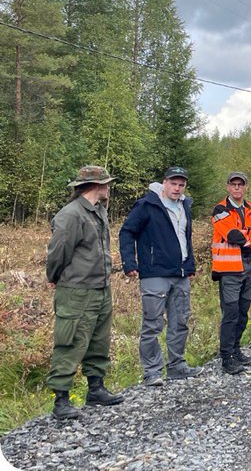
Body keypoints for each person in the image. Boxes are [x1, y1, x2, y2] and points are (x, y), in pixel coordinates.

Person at [45, 165, 123, 421]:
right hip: (77, 290)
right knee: (70, 341)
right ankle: (61, 399)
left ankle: (96, 388)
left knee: (99, 340)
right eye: (106, 183)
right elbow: (58, 252)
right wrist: (54, 277)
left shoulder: (99, 211)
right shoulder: (71, 215)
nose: (109, 188)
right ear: (96, 186)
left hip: (100, 287)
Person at [119, 166, 200, 386]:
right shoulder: (147, 205)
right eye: (173, 183)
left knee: (180, 321)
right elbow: (127, 231)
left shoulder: (185, 205)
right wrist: (129, 262)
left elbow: (185, 238)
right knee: (152, 324)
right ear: (164, 183)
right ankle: (152, 372)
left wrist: (189, 264)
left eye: (181, 184)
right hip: (154, 272)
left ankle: (177, 366)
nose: (177, 188)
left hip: (180, 273)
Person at [211, 171, 251, 375]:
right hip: (229, 270)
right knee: (231, 313)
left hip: (249, 267)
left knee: (243, 312)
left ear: (246, 187)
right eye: (233, 184)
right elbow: (233, 235)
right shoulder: (220, 209)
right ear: (228, 186)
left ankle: (236, 350)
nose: (237, 188)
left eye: (241, 184)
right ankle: (226, 356)